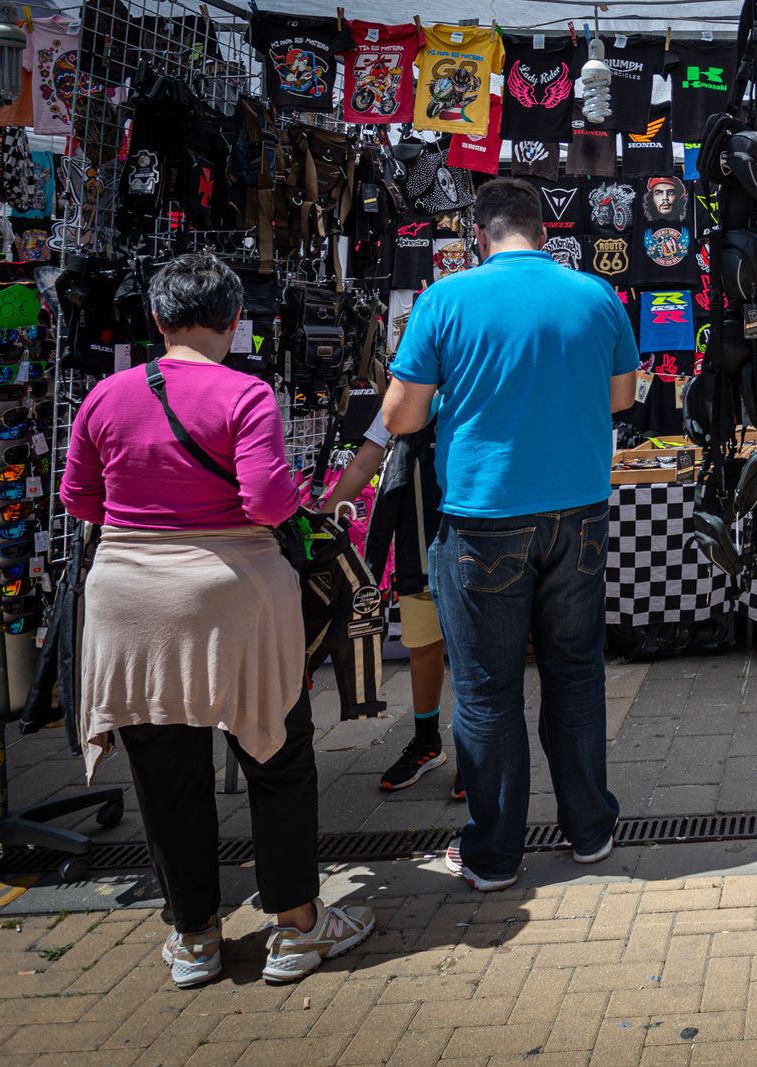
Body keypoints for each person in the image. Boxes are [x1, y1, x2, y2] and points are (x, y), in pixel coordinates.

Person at [60, 253, 373, 989]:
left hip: (130, 603)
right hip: (234, 597)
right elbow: (267, 502)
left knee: (166, 775)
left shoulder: (104, 396)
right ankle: (296, 927)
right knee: (277, 759)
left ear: (157, 319)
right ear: (235, 321)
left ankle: (195, 936)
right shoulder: (247, 393)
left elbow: (80, 501)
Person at [382, 177, 638, 892]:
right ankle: (590, 831)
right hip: (580, 512)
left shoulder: (445, 299)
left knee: (491, 691)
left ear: (478, 235)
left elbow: (401, 417)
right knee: (577, 675)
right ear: (545, 231)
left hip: (485, 518)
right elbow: (621, 397)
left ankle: (495, 855)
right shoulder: (597, 297)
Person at [320, 412, 457, 798]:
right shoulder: (408, 395)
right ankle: (427, 742)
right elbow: (367, 458)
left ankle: (480, 752)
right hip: (420, 540)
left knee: (473, 651)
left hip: (475, 534)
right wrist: (322, 518)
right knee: (423, 645)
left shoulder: (473, 376)